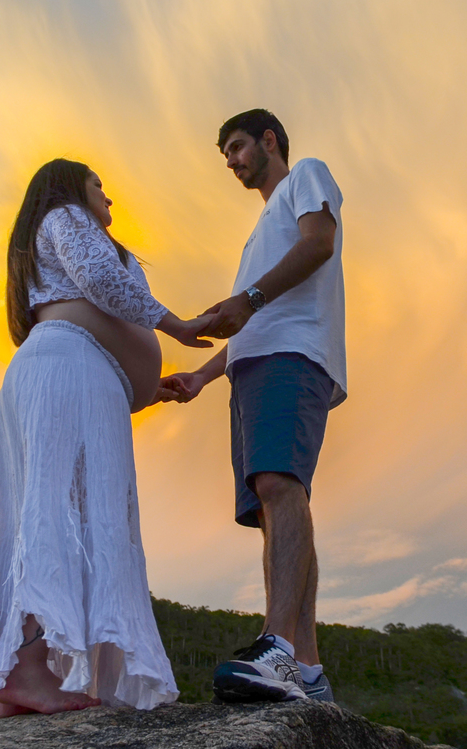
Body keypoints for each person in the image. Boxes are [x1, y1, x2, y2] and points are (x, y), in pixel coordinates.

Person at [0, 158, 211, 715]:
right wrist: (181, 327)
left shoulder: (50, 240)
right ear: (71, 186)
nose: (109, 198)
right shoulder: (64, 216)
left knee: (58, 511)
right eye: (100, 185)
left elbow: (101, 314)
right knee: (56, 512)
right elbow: (102, 283)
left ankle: (30, 674)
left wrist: (149, 386)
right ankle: (25, 670)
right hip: (67, 368)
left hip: (70, 372)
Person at [158, 109, 346, 703]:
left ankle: (278, 649)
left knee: (279, 485)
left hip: (295, 356)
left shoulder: (305, 177)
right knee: (273, 504)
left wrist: (249, 296)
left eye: (238, 147)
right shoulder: (261, 225)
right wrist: (205, 376)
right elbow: (248, 326)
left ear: (269, 140)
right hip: (255, 368)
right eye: (226, 155)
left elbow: (320, 244)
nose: (232, 161)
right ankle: (306, 668)